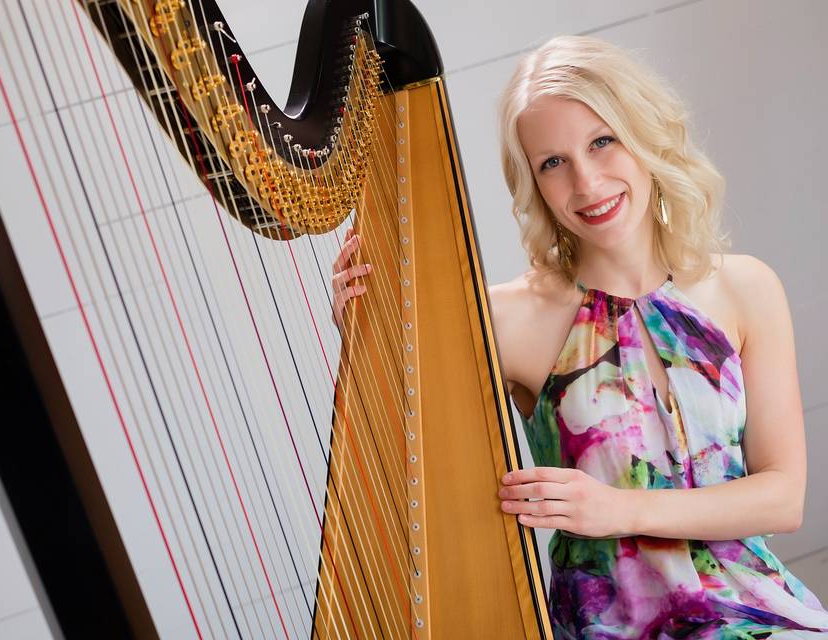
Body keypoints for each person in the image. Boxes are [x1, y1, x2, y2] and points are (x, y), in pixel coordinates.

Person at [331, 35, 828, 639]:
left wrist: (618, 509)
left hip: (756, 614)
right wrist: (364, 331)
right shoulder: (505, 319)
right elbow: (401, 451)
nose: (587, 182)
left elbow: (783, 497)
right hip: (605, 626)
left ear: (644, 135)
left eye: (602, 141)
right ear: (534, 184)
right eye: (553, 162)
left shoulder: (746, 288)